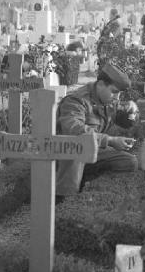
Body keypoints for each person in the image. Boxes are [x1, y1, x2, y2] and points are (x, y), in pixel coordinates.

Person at [55, 62, 139, 201]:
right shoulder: (76, 101)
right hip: (68, 153)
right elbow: (75, 130)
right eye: (114, 92)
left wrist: (133, 112)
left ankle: (86, 182)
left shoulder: (107, 99)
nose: (117, 98)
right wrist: (110, 140)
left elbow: (125, 122)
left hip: (92, 151)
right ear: (100, 84)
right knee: (77, 150)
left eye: (119, 94)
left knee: (129, 161)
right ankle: (62, 197)